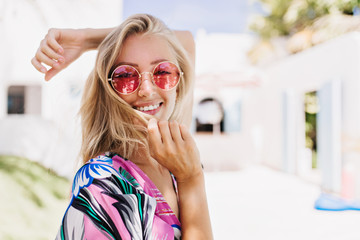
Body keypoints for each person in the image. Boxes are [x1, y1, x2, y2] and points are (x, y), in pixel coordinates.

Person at [32, 14, 213, 239]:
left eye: (162, 71)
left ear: (179, 83)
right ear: (108, 91)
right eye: (126, 75)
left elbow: (185, 41)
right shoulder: (103, 186)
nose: (147, 89)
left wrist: (86, 39)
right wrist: (191, 179)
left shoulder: (173, 154)